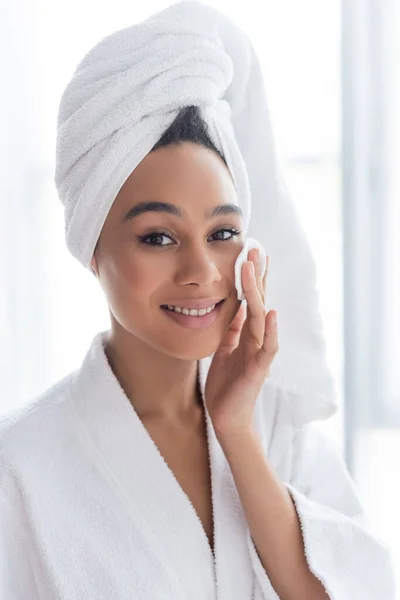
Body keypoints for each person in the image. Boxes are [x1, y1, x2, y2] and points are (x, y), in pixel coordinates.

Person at [0, 2, 396, 599]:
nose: (201, 271)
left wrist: (235, 429)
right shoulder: (19, 470)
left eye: (222, 234)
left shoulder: (275, 426)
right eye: (157, 237)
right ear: (91, 246)